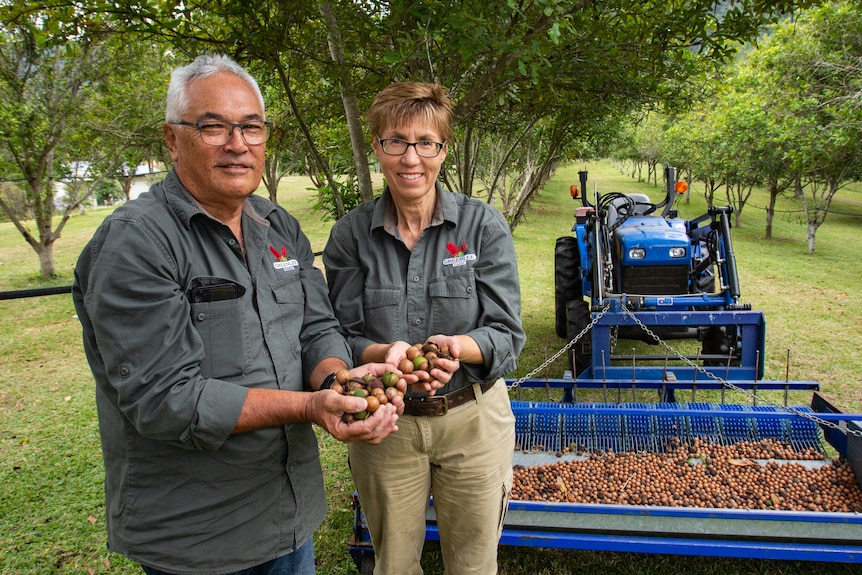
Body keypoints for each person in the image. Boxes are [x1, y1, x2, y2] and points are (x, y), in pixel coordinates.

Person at [72, 54, 401, 575]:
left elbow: (316, 327)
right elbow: (165, 399)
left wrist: (338, 378)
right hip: (198, 536)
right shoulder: (136, 243)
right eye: (212, 126)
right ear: (172, 139)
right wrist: (310, 406)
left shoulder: (278, 225)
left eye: (251, 126)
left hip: (288, 515)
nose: (237, 142)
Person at [322, 82, 526, 575]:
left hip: (473, 420)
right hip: (388, 429)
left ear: (442, 150)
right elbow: (337, 333)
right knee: (394, 565)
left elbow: (507, 333)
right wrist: (379, 354)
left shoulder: (482, 227)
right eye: (396, 141)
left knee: (474, 565)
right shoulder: (351, 235)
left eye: (425, 143)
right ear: (377, 147)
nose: (411, 158)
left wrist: (459, 347)